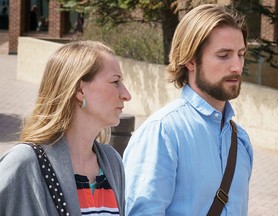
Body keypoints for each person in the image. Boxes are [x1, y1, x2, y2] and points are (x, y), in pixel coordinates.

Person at [123, 4, 253, 216]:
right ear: (190, 60)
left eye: (241, 54)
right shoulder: (163, 132)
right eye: (224, 55)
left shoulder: (241, 141)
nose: (237, 67)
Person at [0, 40, 131, 215]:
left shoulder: (112, 161)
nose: (126, 95)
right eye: (115, 82)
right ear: (80, 90)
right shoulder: (25, 162)